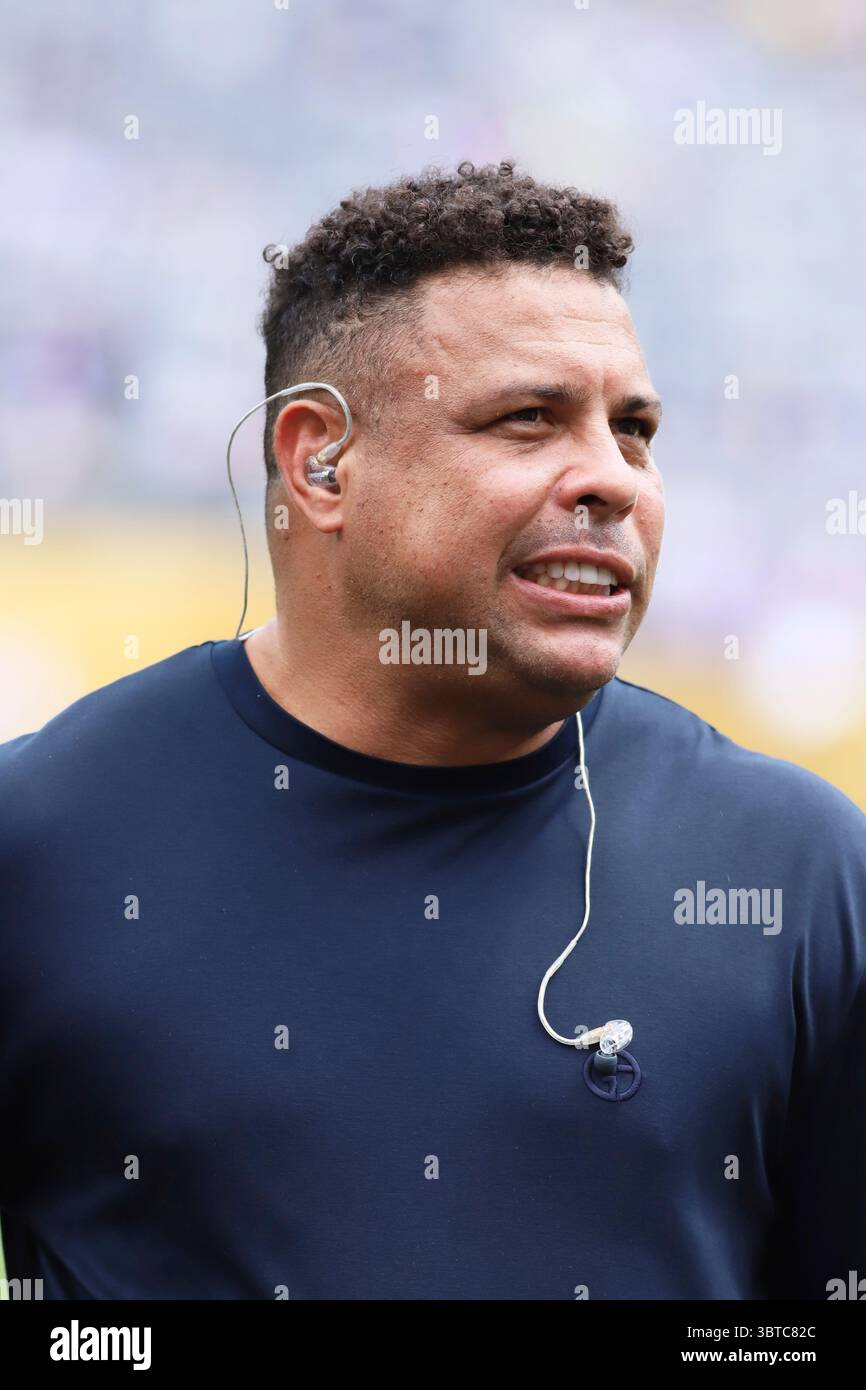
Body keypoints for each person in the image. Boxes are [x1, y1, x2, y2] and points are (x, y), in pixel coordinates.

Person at [1, 160, 864, 1301]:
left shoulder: (794, 868)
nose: (611, 480)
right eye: (528, 419)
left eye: (634, 430)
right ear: (319, 460)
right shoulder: (44, 843)